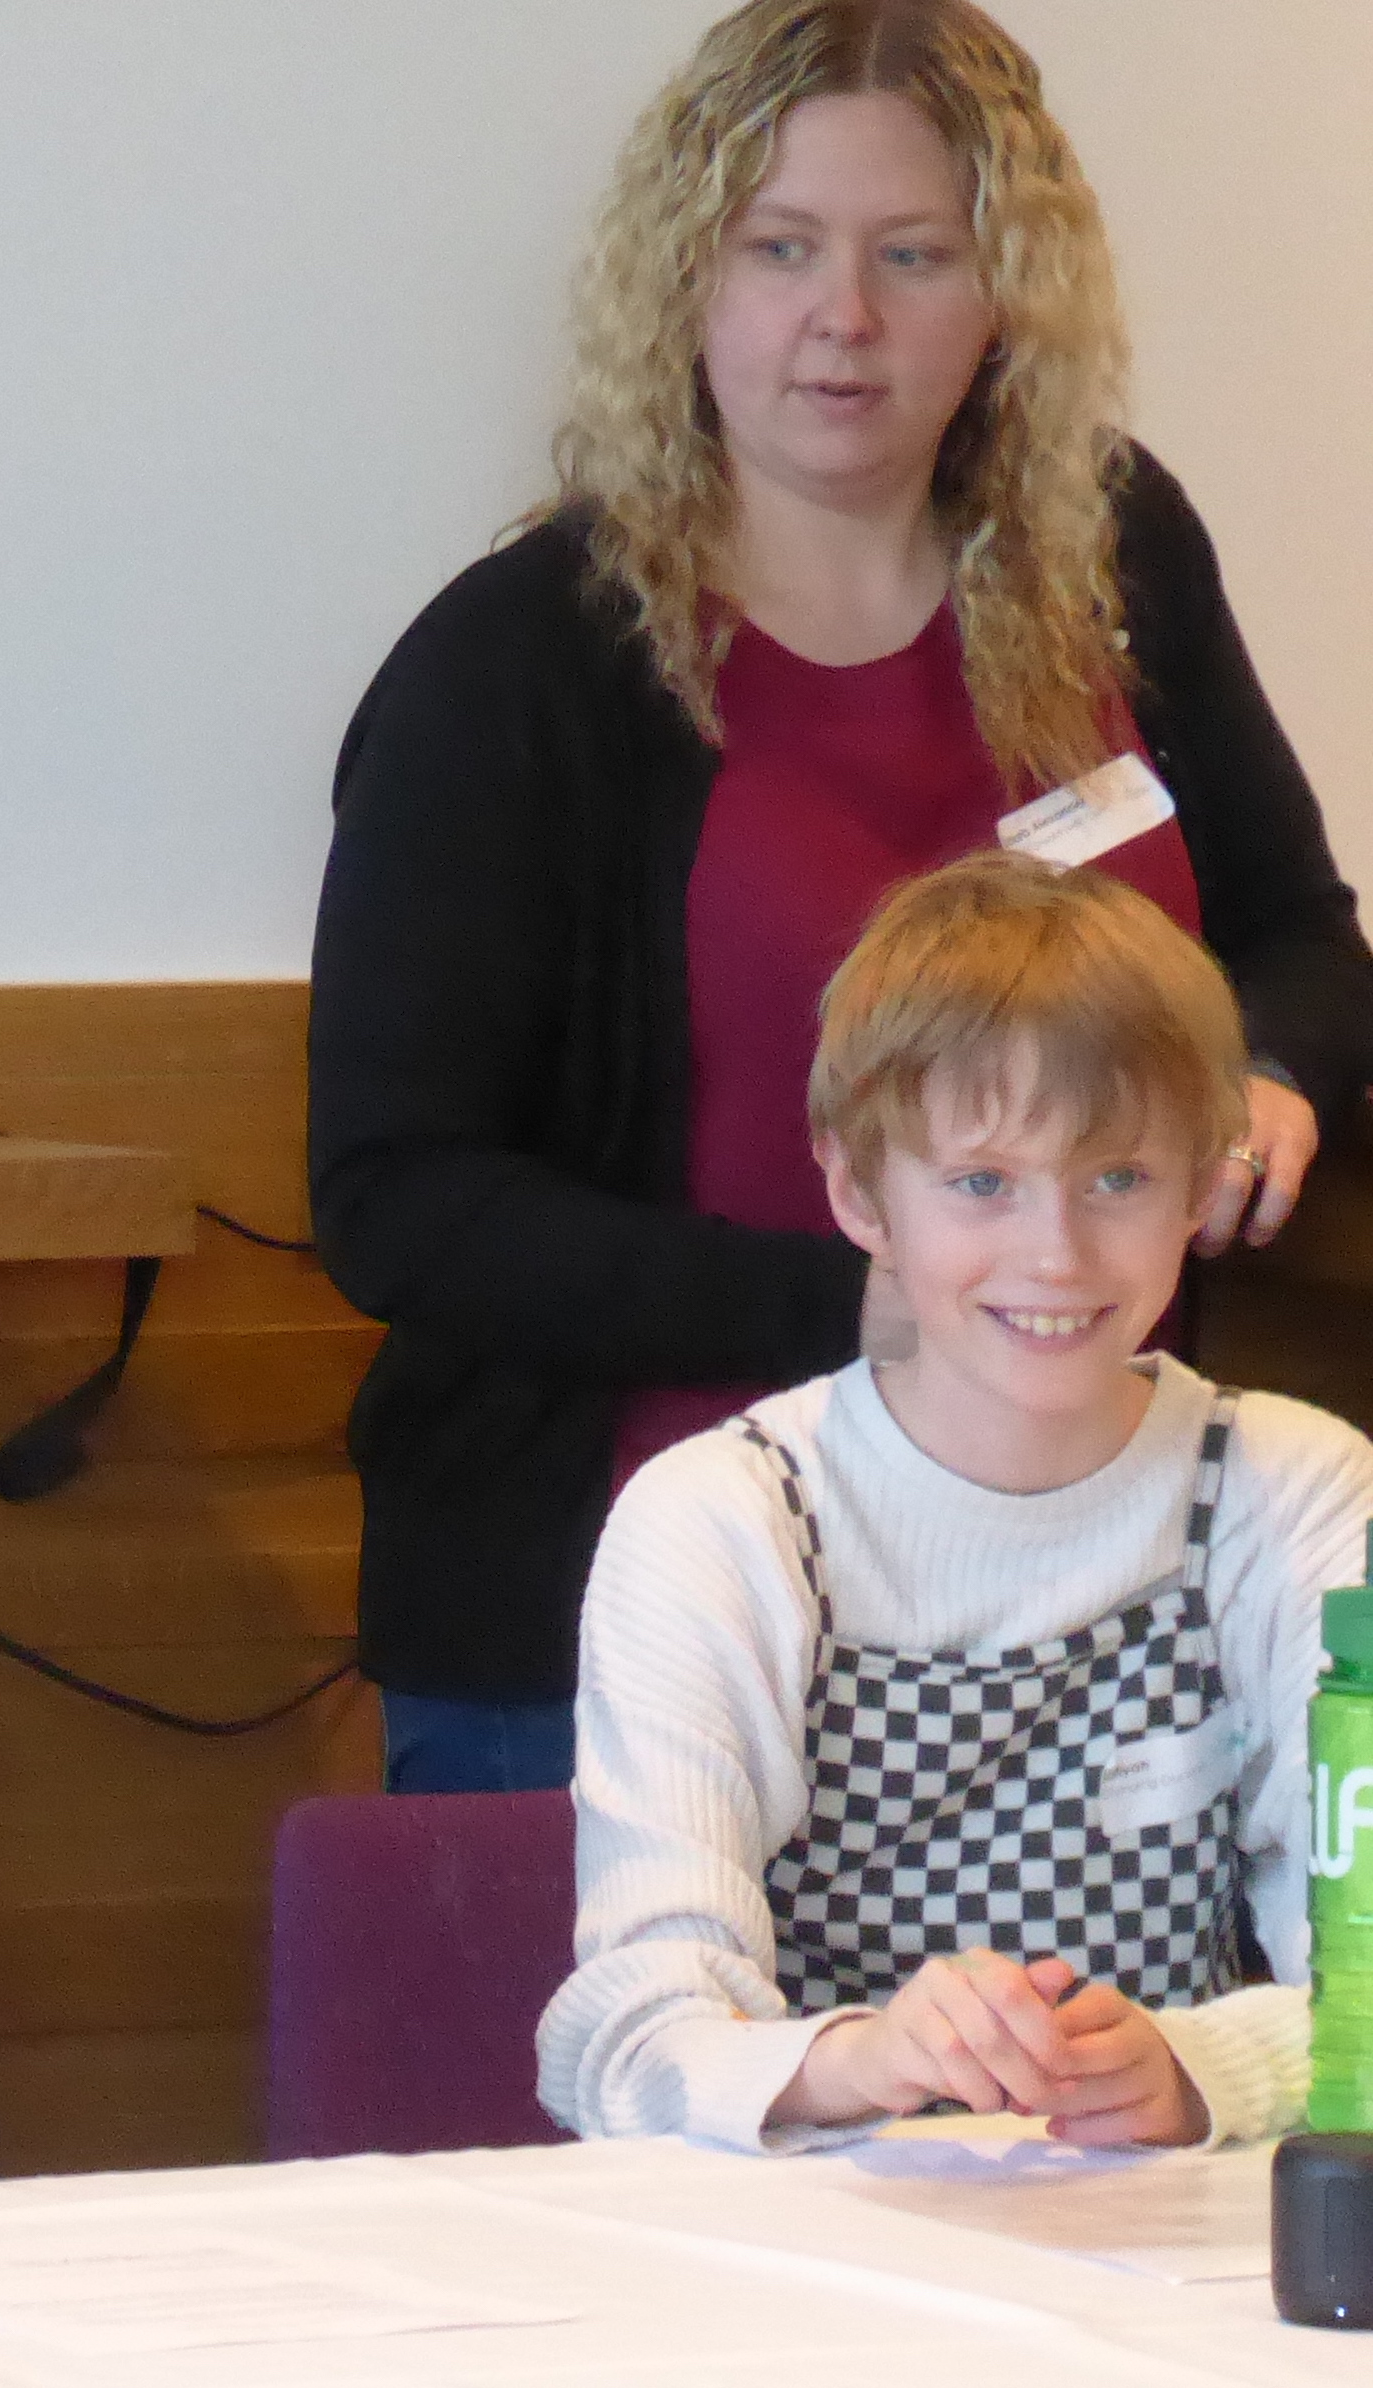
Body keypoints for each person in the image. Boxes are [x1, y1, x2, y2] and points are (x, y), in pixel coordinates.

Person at [307, 0, 1373, 1793]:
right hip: (625, 1622)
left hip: (1092, 1601)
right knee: (688, 2079)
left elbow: (1299, 934)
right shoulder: (515, 672)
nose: (845, 320)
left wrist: (1266, 1078)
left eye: (914, 255)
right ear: (689, 285)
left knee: (1092, 2070)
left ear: (1006, 292)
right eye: (780, 249)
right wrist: (878, 1313)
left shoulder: (1118, 560)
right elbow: (399, 1201)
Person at [539, 855, 1373, 2151]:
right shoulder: (722, 1520)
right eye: (983, 1182)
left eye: (1119, 1179)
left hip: (1172, 2257)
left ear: (1206, 1180)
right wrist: (861, 2058)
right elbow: (627, 2043)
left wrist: (1188, 2062)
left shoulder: (1291, 1490)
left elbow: (1361, 1991)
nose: (1055, 1252)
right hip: (815, 2269)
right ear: (861, 1189)